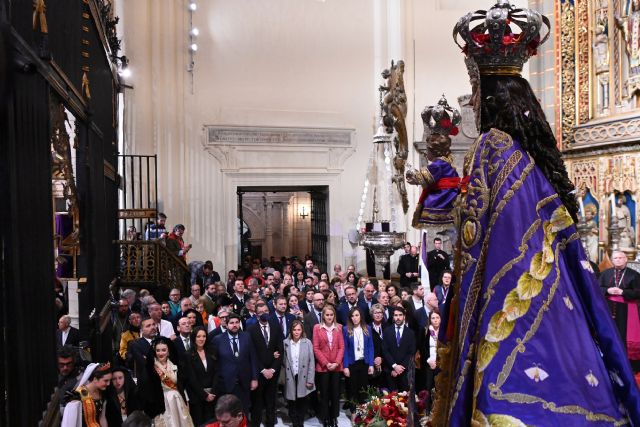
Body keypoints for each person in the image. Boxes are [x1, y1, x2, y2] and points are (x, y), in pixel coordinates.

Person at [434, 2, 640, 425]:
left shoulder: (490, 147)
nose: (473, 100)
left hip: (503, 292)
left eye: (476, 90)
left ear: (489, 95)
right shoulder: (531, 159)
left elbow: (471, 232)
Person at [139, 337, 193, 426]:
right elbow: (146, 390)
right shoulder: (150, 368)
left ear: (168, 352)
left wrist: (186, 400)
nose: (160, 353)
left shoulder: (175, 365)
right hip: (160, 403)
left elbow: (182, 385)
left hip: (177, 401)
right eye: (158, 350)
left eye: (163, 350)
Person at [211, 313, 258, 414]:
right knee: (228, 413)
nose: (234, 325)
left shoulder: (247, 337)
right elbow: (214, 363)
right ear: (226, 325)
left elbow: (253, 358)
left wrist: (254, 378)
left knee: (243, 411)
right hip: (226, 384)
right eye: (231, 323)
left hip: (244, 382)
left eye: (237, 322)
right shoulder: (217, 340)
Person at [599, 250, 640, 363]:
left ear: (626, 259)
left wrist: (623, 292)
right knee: (610, 333)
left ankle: (628, 362)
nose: (618, 260)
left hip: (626, 309)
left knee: (624, 335)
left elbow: (638, 293)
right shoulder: (605, 273)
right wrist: (608, 290)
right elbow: (597, 289)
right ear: (612, 260)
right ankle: (609, 360)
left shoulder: (634, 275)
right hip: (608, 308)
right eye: (615, 258)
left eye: (621, 257)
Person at [247, 302, 284, 427]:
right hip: (259, 372)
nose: (264, 314)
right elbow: (252, 353)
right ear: (257, 315)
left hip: (273, 372)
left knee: (271, 402)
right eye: (261, 312)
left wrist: (273, 369)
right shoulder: (251, 329)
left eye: (266, 311)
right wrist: (263, 370)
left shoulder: (275, 326)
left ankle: (270, 424)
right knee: (257, 403)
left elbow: (280, 350)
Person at [312, 305, 344, 427]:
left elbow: (341, 347)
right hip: (323, 367)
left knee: (335, 393)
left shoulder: (339, 328)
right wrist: (326, 363)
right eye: (327, 315)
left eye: (331, 315)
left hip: (336, 366)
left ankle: (334, 417)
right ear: (323, 316)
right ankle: (325, 417)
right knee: (324, 393)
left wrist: (336, 363)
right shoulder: (317, 328)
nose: (329, 317)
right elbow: (316, 348)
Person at [283, 320, 315, 427]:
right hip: (290, 376)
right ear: (291, 331)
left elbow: (311, 362)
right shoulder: (285, 343)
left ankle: (300, 422)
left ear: (302, 330)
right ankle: (295, 422)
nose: (296, 332)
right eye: (294, 330)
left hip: (303, 377)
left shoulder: (307, 342)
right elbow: (283, 361)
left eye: (299, 330)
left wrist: (310, 380)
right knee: (292, 401)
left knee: (302, 401)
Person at [61, 362, 112, 427]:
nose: (108, 384)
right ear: (95, 379)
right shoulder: (79, 394)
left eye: (110, 380)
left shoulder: (102, 393)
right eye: (106, 380)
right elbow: (71, 420)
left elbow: (102, 417)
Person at [184, 326, 217, 426]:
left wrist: (213, 392)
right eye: (198, 336)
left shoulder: (212, 351)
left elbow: (216, 373)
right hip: (197, 397)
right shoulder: (188, 355)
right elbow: (191, 378)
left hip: (213, 395)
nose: (201, 339)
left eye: (204, 336)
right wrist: (205, 395)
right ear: (194, 337)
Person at [342, 307, 374, 409]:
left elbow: (370, 347)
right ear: (350, 318)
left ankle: (363, 413)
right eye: (352, 316)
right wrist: (345, 366)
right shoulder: (346, 329)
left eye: (357, 315)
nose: (355, 318)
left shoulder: (367, 328)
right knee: (352, 389)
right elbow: (345, 349)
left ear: (361, 316)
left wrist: (371, 364)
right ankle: (353, 412)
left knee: (363, 389)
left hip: (364, 363)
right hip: (352, 363)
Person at [382, 307, 415, 392]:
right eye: (396, 315)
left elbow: (411, 352)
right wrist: (394, 366)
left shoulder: (410, 333)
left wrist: (400, 368)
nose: (398, 317)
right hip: (390, 370)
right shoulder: (387, 331)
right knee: (390, 401)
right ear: (393, 317)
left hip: (405, 371)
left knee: (404, 400)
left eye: (400, 315)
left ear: (404, 316)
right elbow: (385, 351)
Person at [418, 310, 440, 410]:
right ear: (430, 320)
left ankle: (438, 411)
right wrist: (429, 360)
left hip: (440, 363)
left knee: (439, 388)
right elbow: (422, 348)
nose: (435, 320)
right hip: (428, 363)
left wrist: (438, 362)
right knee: (428, 387)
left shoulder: (443, 332)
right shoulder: (426, 330)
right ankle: (427, 411)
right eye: (433, 318)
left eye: (437, 318)